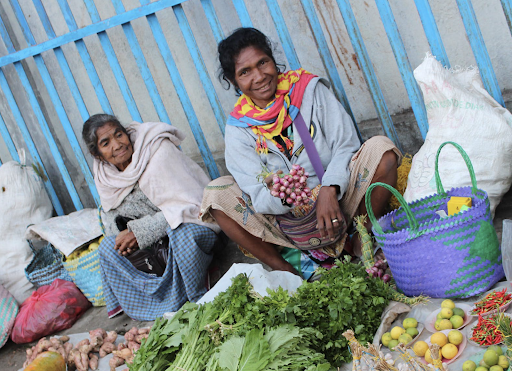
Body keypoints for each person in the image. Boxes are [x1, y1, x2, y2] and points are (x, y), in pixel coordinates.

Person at [200, 27, 401, 279]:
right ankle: (291, 271)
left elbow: (346, 144)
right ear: (234, 82)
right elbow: (259, 197)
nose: (259, 76)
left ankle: (361, 240)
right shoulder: (239, 129)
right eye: (245, 72)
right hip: (290, 225)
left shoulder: (309, 90)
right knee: (215, 196)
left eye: (263, 62)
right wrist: (283, 197)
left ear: (274, 61)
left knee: (382, 151)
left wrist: (329, 188)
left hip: (341, 202)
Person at [83, 114, 220, 321]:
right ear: (98, 155)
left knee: (183, 235)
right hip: (153, 249)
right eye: (106, 143)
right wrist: (125, 240)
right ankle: (154, 305)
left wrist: (141, 232)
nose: (117, 144)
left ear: (127, 133)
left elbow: (193, 204)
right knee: (107, 248)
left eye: (119, 135)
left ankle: (195, 295)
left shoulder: (158, 152)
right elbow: (112, 220)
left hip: (190, 226)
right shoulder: (105, 176)